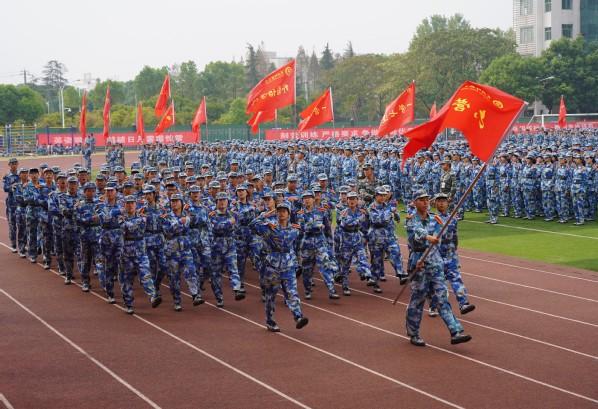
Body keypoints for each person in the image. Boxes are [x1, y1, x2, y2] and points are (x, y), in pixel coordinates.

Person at [404, 189, 472, 347]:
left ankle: (455, 331)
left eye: (427, 199)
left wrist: (440, 232)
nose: (425, 202)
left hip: (435, 263)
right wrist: (428, 236)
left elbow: (441, 235)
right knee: (417, 300)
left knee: (442, 298)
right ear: (415, 202)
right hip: (419, 263)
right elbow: (415, 232)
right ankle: (414, 333)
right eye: (421, 200)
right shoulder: (410, 219)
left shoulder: (436, 219)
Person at [250, 201, 309, 332]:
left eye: (284, 211)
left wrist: (298, 260)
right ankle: (270, 321)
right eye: (279, 211)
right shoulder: (269, 227)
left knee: (292, 293)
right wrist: (265, 215)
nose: (281, 213)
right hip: (273, 266)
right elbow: (252, 225)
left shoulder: (295, 229)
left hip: (288, 265)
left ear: (289, 214)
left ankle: (298, 317)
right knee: (271, 295)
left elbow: (298, 245)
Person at [428, 193, 475, 316]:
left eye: (444, 201)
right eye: (439, 201)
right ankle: (433, 306)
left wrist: (455, 246)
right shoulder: (431, 218)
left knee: (456, 278)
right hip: (437, 253)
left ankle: (463, 303)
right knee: (437, 282)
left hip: (450, 253)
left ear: (448, 203)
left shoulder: (453, 218)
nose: (441, 203)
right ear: (435, 203)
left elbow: (455, 234)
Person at [118, 195, 162, 314]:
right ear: (124, 205)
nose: (130, 205)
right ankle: (128, 304)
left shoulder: (143, 216)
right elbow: (129, 227)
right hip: (127, 253)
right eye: (128, 203)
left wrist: (140, 220)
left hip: (141, 252)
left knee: (145, 274)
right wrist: (140, 220)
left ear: (136, 205)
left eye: (132, 203)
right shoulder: (121, 218)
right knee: (127, 279)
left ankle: (152, 296)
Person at [334, 192, 377, 295]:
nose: (352, 201)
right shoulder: (344, 212)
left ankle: (368, 276)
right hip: (346, 241)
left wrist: (366, 236)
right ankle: (345, 286)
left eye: (354, 198)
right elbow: (344, 224)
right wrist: (357, 220)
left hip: (357, 240)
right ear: (347, 201)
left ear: (357, 200)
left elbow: (363, 225)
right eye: (350, 199)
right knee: (345, 265)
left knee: (362, 258)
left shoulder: (361, 212)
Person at [3, 158, 20, 252]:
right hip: (11, 204)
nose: (14, 165)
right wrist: (12, 187)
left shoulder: (21, 174)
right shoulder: (6, 176)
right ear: (9, 165)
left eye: (15, 163)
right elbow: (5, 188)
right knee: (12, 225)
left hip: (21, 204)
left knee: (22, 225)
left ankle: (22, 244)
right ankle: (13, 245)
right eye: (12, 164)